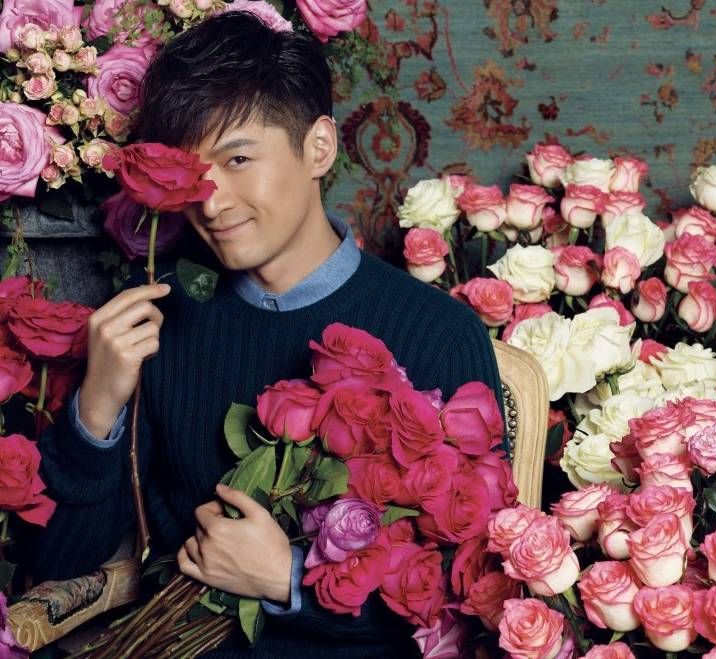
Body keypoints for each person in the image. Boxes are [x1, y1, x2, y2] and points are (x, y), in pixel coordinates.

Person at [35, 11, 502, 658]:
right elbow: (58, 565)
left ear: (319, 148)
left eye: (238, 159)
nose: (211, 201)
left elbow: (472, 597)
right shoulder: (158, 318)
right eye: (192, 171)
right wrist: (97, 408)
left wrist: (289, 579)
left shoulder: (435, 332)